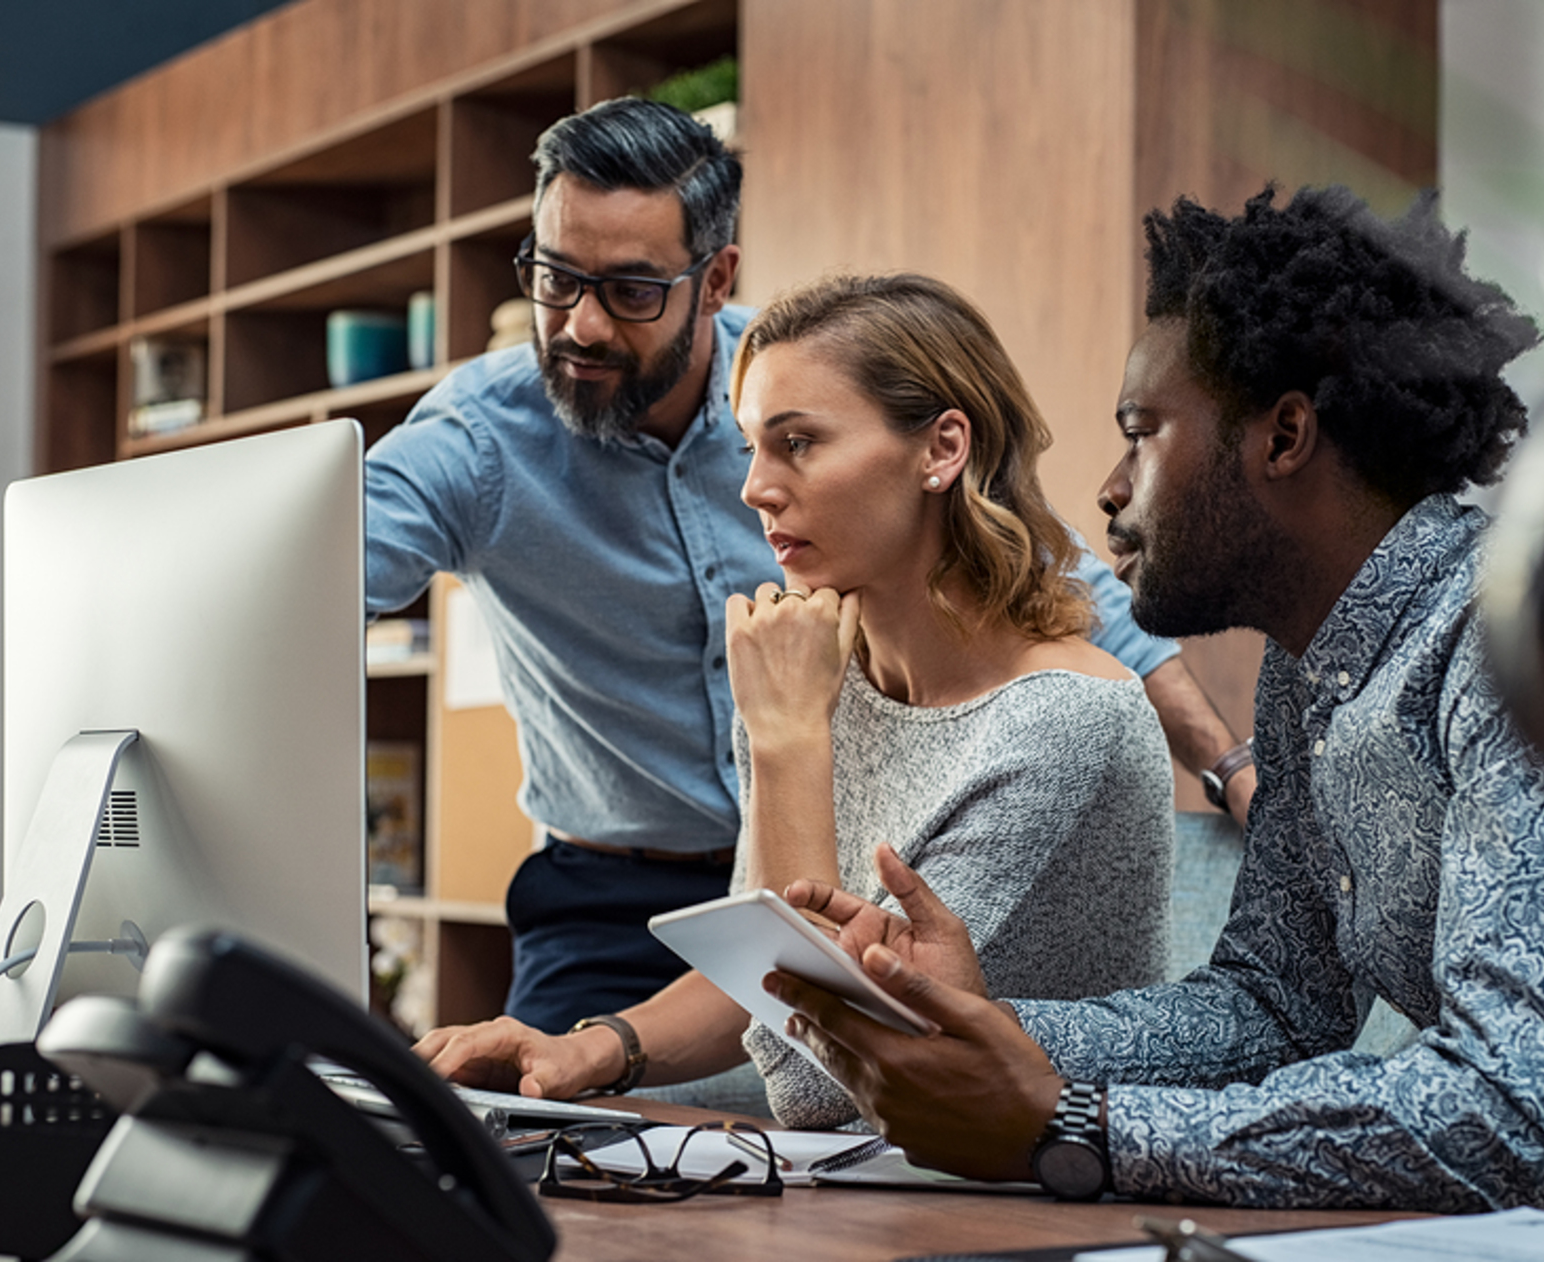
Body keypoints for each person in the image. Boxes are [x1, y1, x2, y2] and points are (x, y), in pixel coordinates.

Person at [760, 186, 1544, 1210]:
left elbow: (1508, 1109)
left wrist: (1073, 1128)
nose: (1110, 489)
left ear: (1284, 435)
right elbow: (1273, 1007)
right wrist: (986, 1025)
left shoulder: (1525, 636)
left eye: (1141, 430)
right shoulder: (1310, 671)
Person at [363, 95, 1253, 1035]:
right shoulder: (479, 440)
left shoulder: (813, 379)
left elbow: (1074, 595)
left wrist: (1232, 766)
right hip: (607, 897)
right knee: (537, 1143)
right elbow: (312, 585)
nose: (580, 326)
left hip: (834, 871)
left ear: (714, 281)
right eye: (556, 278)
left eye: (630, 290)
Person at [413, 272, 1176, 1123]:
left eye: (799, 443)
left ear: (942, 449)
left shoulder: (1065, 720)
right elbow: (758, 971)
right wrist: (590, 1048)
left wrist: (785, 741)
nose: (755, 490)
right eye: (751, 449)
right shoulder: (816, 677)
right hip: (878, 1179)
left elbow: (820, 1076)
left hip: (1030, 1203)